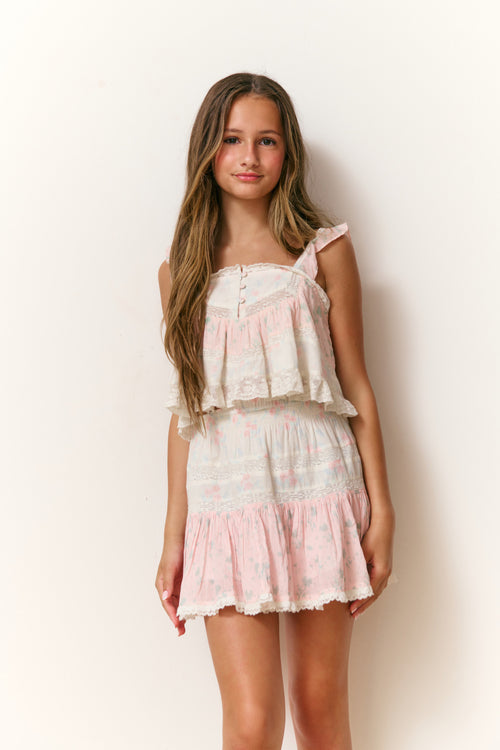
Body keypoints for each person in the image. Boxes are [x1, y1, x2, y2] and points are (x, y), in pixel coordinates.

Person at [155, 72, 396, 750]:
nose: (249, 157)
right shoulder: (180, 273)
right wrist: (174, 536)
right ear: (207, 148)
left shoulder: (324, 250)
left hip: (319, 487)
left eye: (267, 140)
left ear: (288, 152)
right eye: (232, 139)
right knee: (252, 724)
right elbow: (188, 408)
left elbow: (358, 385)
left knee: (319, 713)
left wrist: (384, 512)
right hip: (225, 503)